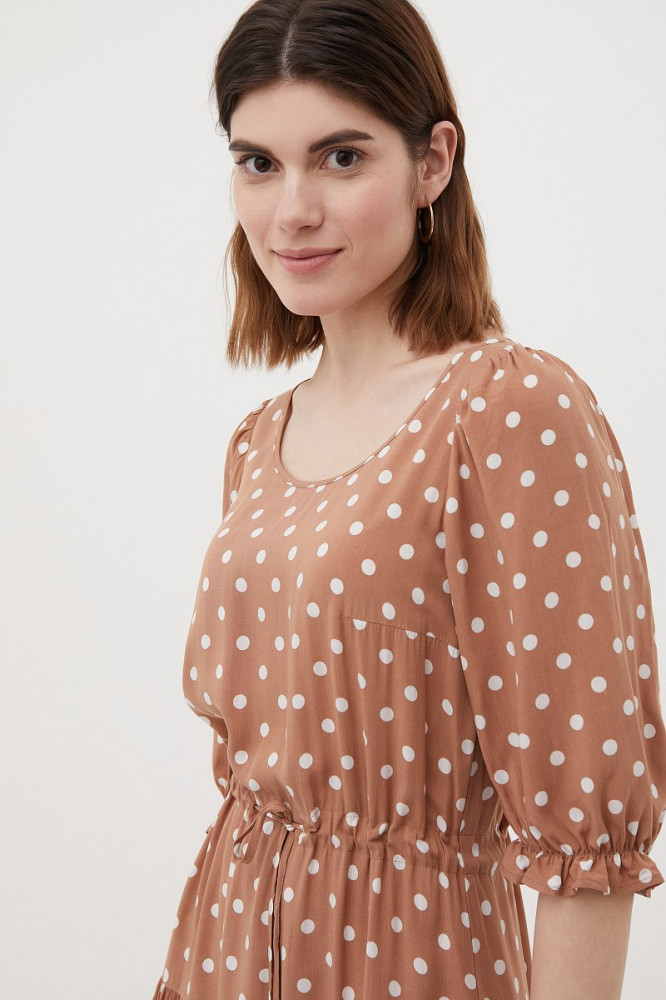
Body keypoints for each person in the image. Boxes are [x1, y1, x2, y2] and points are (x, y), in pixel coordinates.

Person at [150, 2, 666, 998]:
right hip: (227, 948)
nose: (292, 210)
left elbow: (586, 847)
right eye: (258, 163)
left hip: (407, 958)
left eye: (340, 158)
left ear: (432, 163)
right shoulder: (259, 440)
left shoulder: (510, 411)